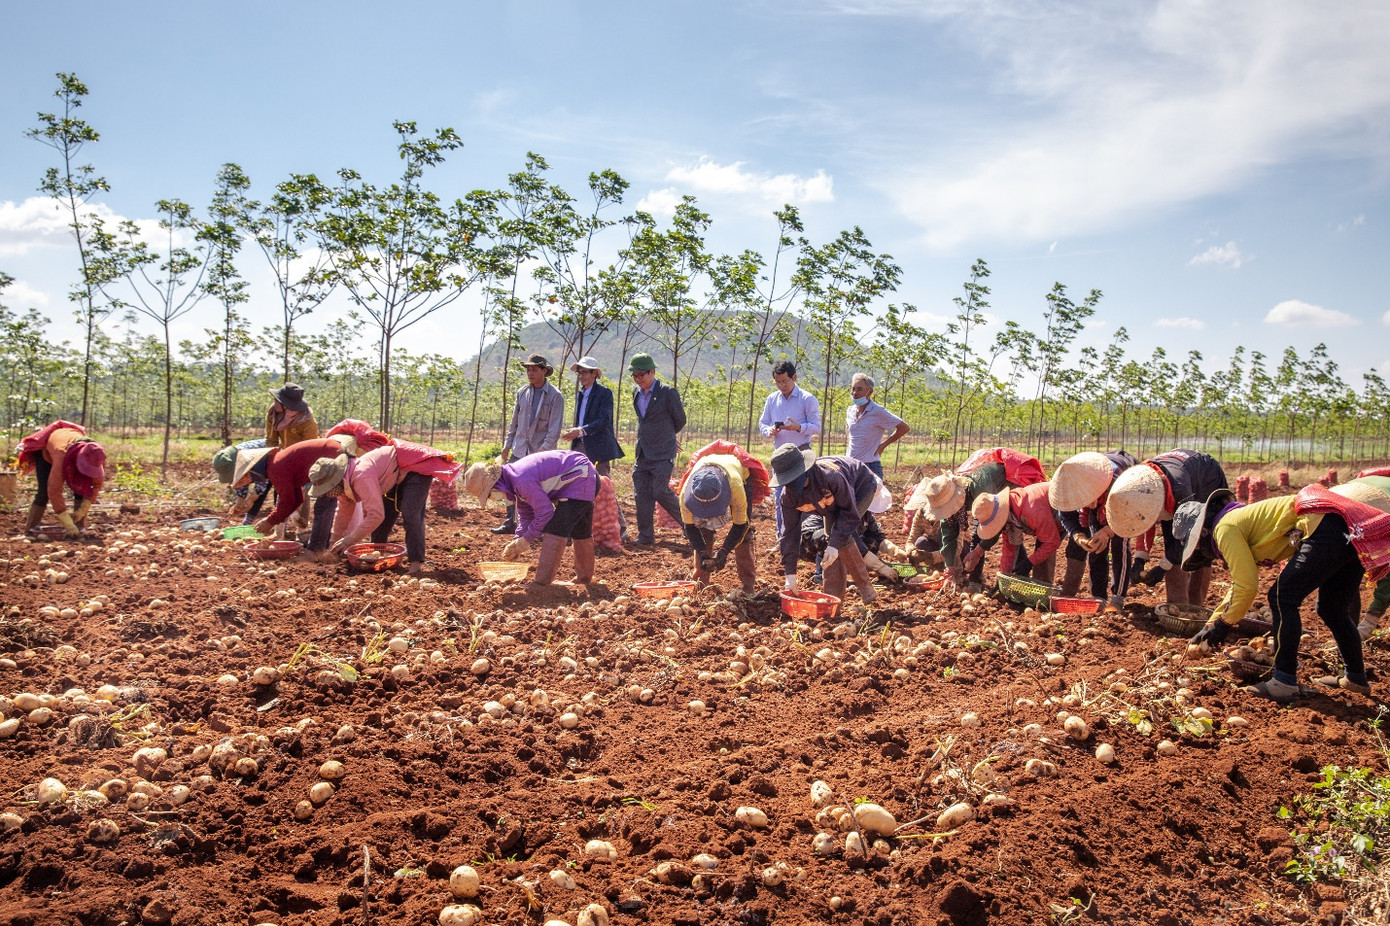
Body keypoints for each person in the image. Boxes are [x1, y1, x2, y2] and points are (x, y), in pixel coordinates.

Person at [1177, 480, 1390, 702]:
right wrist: (1213, 623)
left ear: (1201, 533)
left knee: (1282, 597)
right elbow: (1239, 584)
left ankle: (1283, 681)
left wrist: (1223, 625)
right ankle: (1356, 679)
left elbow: (1247, 588)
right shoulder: (1237, 521)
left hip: (1326, 524)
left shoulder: (1224, 528)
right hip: (1347, 527)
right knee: (1332, 608)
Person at [309, 438, 462, 574]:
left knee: (410, 514)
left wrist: (350, 539)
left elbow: (376, 515)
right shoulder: (345, 484)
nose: (327, 493)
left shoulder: (361, 475)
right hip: (393, 478)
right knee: (379, 525)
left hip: (412, 470)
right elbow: (343, 513)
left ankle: (416, 563)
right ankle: (377, 559)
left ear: (334, 481)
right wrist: (333, 546)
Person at [912, 447, 1046, 592]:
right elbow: (949, 533)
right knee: (1003, 539)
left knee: (1011, 537)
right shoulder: (951, 495)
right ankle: (1003, 580)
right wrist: (950, 568)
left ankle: (1011, 582)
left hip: (1011, 493)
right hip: (994, 496)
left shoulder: (980, 490)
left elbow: (992, 529)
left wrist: (977, 553)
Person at [1105, 448, 1228, 606]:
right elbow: (1145, 521)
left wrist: (1163, 567)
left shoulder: (1180, 492)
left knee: (1203, 544)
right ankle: (1176, 606)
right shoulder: (1142, 484)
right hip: (1170, 485)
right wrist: (1140, 559)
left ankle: (1195, 606)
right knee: (1172, 541)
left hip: (1206, 478)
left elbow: (1185, 539)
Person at [463, 450, 598, 587]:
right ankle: (584, 579)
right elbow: (526, 514)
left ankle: (541, 584)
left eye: (489, 495)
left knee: (556, 529)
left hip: (580, 477)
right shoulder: (513, 479)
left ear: (495, 486)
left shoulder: (521, 481)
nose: (492, 498)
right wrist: (518, 540)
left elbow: (545, 512)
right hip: (584, 475)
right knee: (581, 531)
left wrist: (527, 539)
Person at [772, 445, 880, 605]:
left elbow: (849, 513)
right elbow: (789, 533)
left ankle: (867, 590)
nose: (792, 485)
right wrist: (790, 574)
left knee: (839, 538)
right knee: (833, 539)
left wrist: (834, 545)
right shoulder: (788, 497)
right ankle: (833, 601)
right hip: (831, 503)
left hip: (860, 487)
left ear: (805, 470)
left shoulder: (831, 477)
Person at [1050, 450, 1139, 611]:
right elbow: (1067, 516)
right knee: (1096, 547)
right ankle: (1099, 597)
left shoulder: (1119, 485)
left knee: (1120, 545)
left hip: (1122, 499)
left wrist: (1107, 531)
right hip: (1100, 494)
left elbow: (1127, 518)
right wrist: (1078, 536)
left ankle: (1118, 598)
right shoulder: (1071, 487)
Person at [494, 353, 564, 534]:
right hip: (520, 448)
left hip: (541, 453)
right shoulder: (522, 393)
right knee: (511, 486)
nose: (530, 373)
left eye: (534, 369)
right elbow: (514, 422)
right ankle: (511, 521)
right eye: (528, 370)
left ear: (544, 371)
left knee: (542, 490)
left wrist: (542, 452)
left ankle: (544, 526)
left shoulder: (555, 396)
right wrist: (507, 444)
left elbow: (554, 430)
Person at [250, 435, 357, 551]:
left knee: (323, 505)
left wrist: (270, 521)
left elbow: (288, 501)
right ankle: (323, 545)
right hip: (333, 449)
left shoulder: (275, 469)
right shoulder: (276, 463)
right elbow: (297, 499)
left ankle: (316, 550)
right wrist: (273, 519)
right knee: (327, 504)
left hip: (331, 455)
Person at [559, 355, 626, 539]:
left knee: (603, 486)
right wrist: (575, 434)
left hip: (597, 446)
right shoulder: (581, 394)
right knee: (577, 486)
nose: (581, 375)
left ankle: (620, 528)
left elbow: (604, 421)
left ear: (595, 373)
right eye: (579, 372)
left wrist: (580, 431)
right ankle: (581, 529)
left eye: (585, 372)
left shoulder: (605, 393)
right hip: (580, 445)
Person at [678, 449, 758, 593]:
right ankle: (700, 585)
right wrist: (702, 552)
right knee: (703, 532)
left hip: (738, 476)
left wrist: (724, 551)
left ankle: (748, 589)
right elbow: (690, 527)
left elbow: (740, 525)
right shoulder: (685, 494)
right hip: (708, 469)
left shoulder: (736, 487)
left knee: (745, 535)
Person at [628, 352, 686, 546]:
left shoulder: (667, 393)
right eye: (635, 376)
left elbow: (680, 420)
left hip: (662, 452)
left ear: (652, 372)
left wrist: (667, 437)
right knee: (641, 493)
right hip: (643, 452)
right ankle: (645, 536)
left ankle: (690, 526)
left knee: (660, 490)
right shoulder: (636, 393)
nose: (638, 379)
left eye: (641, 375)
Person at [758, 360, 821, 538]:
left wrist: (798, 427)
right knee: (780, 500)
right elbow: (762, 422)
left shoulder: (807, 399)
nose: (781, 386)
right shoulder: (772, 399)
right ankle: (783, 539)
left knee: (805, 498)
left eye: (785, 381)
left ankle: (805, 538)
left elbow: (816, 426)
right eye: (778, 382)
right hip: (780, 457)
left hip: (802, 456)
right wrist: (768, 430)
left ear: (794, 377)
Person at [17, 420, 105, 537]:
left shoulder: (96, 453)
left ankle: (79, 529)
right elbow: (54, 490)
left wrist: (84, 508)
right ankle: (30, 530)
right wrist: (66, 522)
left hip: (70, 447)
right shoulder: (62, 454)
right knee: (44, 492)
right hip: (47, 455)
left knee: (82, 489)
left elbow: (96, 483)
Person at [963, 482, 1063, 586]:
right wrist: (1001, 583)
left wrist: (1030, 562)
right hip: (1047, 516)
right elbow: (1009, 550)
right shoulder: (1011, 514)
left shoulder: (1031, 511)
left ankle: (1059, 596)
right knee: (1039, 556)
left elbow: (1052, 542)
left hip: (1070, 510)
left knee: (1051, 556)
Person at [845, 373, 910, 479]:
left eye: (859, 389)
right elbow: (848, 428)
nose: (855, 393)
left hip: (869, 466)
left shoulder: (878, 411)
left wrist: (882, 446)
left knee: (870, 496)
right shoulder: (850, 410)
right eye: (853, 389)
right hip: (850, 465)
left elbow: (904, 428)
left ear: (869, 392)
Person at [212, 438, 271, 524]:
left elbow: (262, 481)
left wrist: (251, 499)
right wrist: (239, 502)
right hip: (262, 469)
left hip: (276, 461)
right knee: (257, 494)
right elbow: (240, 479)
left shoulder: (250, 456)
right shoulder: (235, 460)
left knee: (276, 494)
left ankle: (281, 527)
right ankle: (248, 521)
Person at [265, 383, 319, 450]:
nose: (274, 402)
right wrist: (271, 455)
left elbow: (309, 447)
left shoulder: (308, 421)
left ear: (285, 406)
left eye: (277, 400)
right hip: (283, 451)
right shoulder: (273, 414)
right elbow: (271, 440)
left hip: (302, 453)